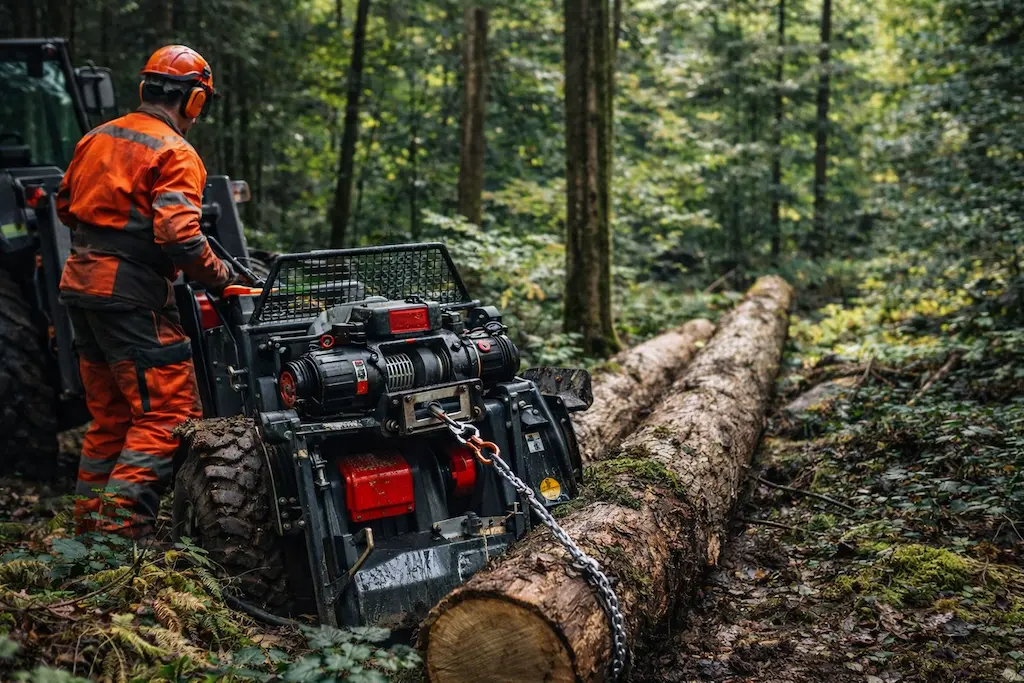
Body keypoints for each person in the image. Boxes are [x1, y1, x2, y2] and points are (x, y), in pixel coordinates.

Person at [56, 45, 240, 538]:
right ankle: (117, 540)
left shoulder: (95, 138)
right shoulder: (175, 152)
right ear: (195, 101)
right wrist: (220, 276)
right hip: (131, 296)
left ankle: (87, 535)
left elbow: (65, 207)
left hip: (79, 287)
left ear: (146, 89)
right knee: (167, 414)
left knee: (110, 419)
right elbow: (179, 236)